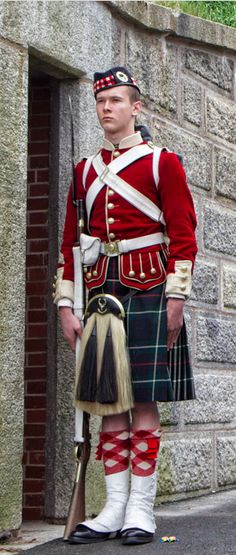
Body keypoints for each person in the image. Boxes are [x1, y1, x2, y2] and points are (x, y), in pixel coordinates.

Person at [54, 66, 198, 545]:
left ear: (136, 107)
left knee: (142, 401)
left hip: (151, 290)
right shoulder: (83, 171)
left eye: (116, 100)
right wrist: (65, 305)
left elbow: (182, 236)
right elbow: (70, 246)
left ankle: (141, 508)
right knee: (108, 401)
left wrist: (176, 297)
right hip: (99, 295)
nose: (106, 108)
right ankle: (114, 506)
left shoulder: (163, 164)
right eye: (101, 101)